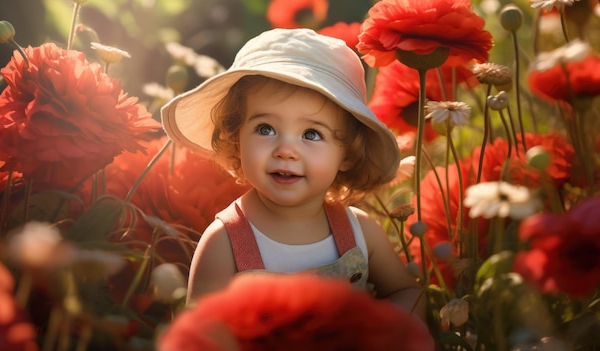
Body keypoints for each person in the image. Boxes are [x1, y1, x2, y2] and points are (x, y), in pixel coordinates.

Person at [160, 28, 425, 320]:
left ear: (347, 154)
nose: (286, 150)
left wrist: (380, 332)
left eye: (311, 134)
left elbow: (408, 293)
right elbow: (199, 334)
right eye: (265, 129)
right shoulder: (225, 242)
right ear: (236, 139)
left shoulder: (359, 233)